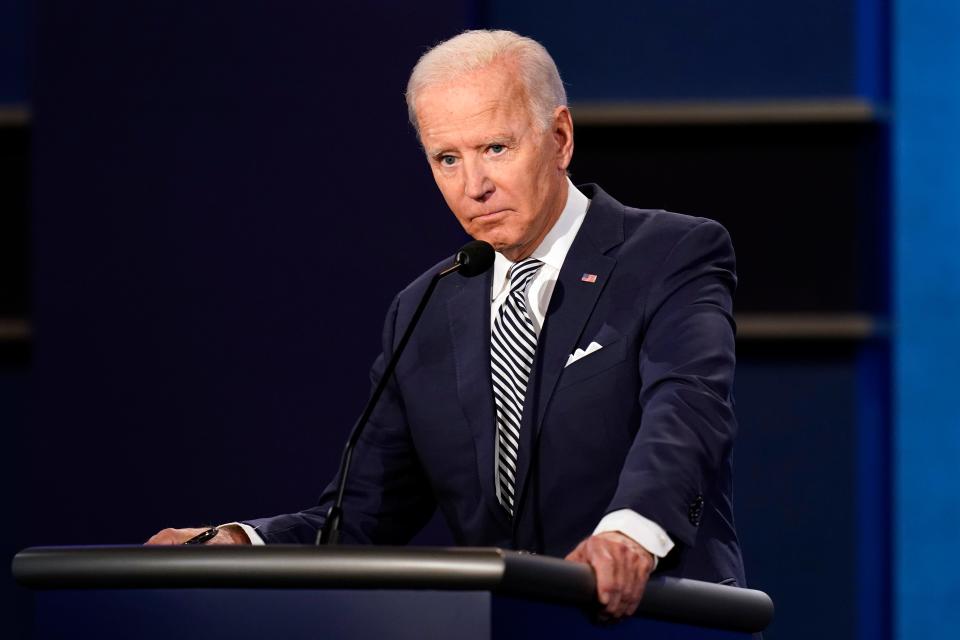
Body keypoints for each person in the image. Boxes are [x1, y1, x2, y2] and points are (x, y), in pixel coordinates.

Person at [148, 29, 745, 621]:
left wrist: (629, 536)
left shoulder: (670, 254)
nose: (474, 187)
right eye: (448, 159)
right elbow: (361, 518)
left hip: (658, 620)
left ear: (559, 138)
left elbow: (686, 410)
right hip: (506, 626)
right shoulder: (425, 308)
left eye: (496, 149)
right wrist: (241, 544)